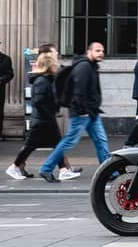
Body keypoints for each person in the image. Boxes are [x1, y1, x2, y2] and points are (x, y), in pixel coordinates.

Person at [40, 41, 110, 183]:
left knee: (101, 141)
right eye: (97, 50)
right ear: (88, 51)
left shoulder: (91, 66)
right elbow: (79, 90)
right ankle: (46, 168)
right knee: (69, 141)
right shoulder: (84, 67)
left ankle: (109, 172)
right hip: (82, 112)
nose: (100, 53)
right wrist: (81, 110)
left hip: (91, 112)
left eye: (102, 51)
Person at [8, 45, 79, 181]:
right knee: (32, 146)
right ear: (48, 66)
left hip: (44, 119)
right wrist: (49, 115)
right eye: (53, 64)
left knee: (53, 145)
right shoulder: (41, 81)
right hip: (42, 120)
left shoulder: (46, 80)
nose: (56, 66)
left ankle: (63, 169)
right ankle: (15, 166)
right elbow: (39, 101)